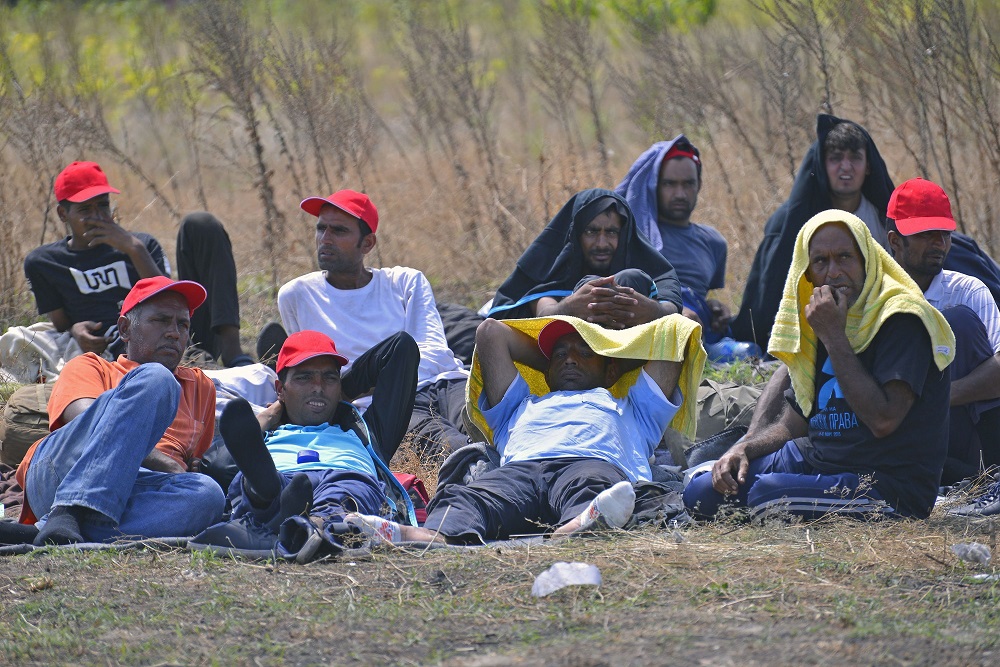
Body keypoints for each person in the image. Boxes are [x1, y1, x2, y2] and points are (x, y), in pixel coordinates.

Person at [684, 210, 955, 520]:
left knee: (764, 495)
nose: (834, 272)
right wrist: (743, 448)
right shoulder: (823, 317)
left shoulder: (901, 319)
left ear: (867, 261)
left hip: (884, 487)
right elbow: (791, 425)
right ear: (807, 273)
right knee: (702, 489)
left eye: (844, 257)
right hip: (819, 461)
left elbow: (883, 420)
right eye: (821, 262)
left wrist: (834, 336)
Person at [345, 314, 703, 545]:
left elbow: (676, 329)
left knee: (594, 488)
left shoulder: (634, 406)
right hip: (520, 473)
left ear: (611, 371)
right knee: (467, 496)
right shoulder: (519, 403)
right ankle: (423, 537)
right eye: (560, 355)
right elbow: (490, 332)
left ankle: (575, 528)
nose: (570, 359)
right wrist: (555, 363)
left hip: (590, 465)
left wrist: (611, 353)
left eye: (582, 353)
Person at [8, 277, 226, 545]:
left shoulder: (201, 386)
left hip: (134, 492)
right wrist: (167, 463)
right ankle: (68, 509)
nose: (174, 332)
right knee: (158, 379)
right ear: (125, 329)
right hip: (63, 472)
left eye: (183, 324)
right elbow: (90, 423)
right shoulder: (91, 366)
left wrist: (194, 466)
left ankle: (49, 529)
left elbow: (191, 461)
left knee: (209, 495)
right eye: (160, 320)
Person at [0, 161, 249, 383]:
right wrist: (75, 330)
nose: (97, 216)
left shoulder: (140, 245)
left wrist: (133, 249)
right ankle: (203, 370)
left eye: (103, 206)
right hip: (124, 356)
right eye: (85, 210)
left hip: (183, 338)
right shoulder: (45, 262)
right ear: (63, 213)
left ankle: (233, 354)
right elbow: (62, 324)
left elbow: (173, 301)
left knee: (201, 223)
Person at [189, 329, 421, 561]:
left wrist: (341, 393)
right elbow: (216, 465)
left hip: (346, 474)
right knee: (261, 483)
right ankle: (280, 508)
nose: (318, 386)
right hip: (281, 474)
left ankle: (299, 523)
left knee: (344, 493)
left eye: (329, 377)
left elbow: (401, 348)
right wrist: (266, 419)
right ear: (280, 389)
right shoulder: (261, 433)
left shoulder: (365, 430)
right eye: (304, 377)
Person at [273, 190, 469, 460]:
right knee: (450, 445)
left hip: (447, 384)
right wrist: (387, 381)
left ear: (367, 244)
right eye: (321, 228)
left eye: (338, 231)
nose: (325, 239)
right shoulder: (297, 295)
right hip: (386, 404)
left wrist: (384, 373)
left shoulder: (405, 282)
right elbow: (314, 370)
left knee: (490, 424)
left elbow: (436, 354)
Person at [730, 115, 894, 347]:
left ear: (868, 166)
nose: (845, 167)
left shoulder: (882, 218)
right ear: (821, 165)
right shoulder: (791, 222)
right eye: (836, 159)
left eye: (855, 158)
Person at [884, 178, 1000, 488]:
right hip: (896, 432)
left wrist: (936, 399)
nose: (939, 242)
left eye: (944, 232)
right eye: (926, 233)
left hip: (961, 432)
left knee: (960, 321)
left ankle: (992, 475)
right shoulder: (874, 299)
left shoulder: (968, 291)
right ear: (895, 241)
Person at [615, 136, 759, 360]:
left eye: (688, 184)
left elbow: (697, 294)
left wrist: (713, 308)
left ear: (699, 185)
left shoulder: (713, 242)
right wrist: (672, 313)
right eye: (670, 184)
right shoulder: (634, 234)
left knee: (751, 353)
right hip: (655, 327)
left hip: (700, 332)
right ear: (654, 185)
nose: (680, 194)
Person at [488, 188, 682, 328]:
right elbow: (544, 312)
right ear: (575, 236)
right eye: (591, 231)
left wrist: (652, 311)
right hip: (574, 369)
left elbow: (671, 308)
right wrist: (568, 308)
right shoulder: (552, 276)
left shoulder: (654, 272)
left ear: (623, 236)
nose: (601, 243)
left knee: (630, 278)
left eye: (612, 232)